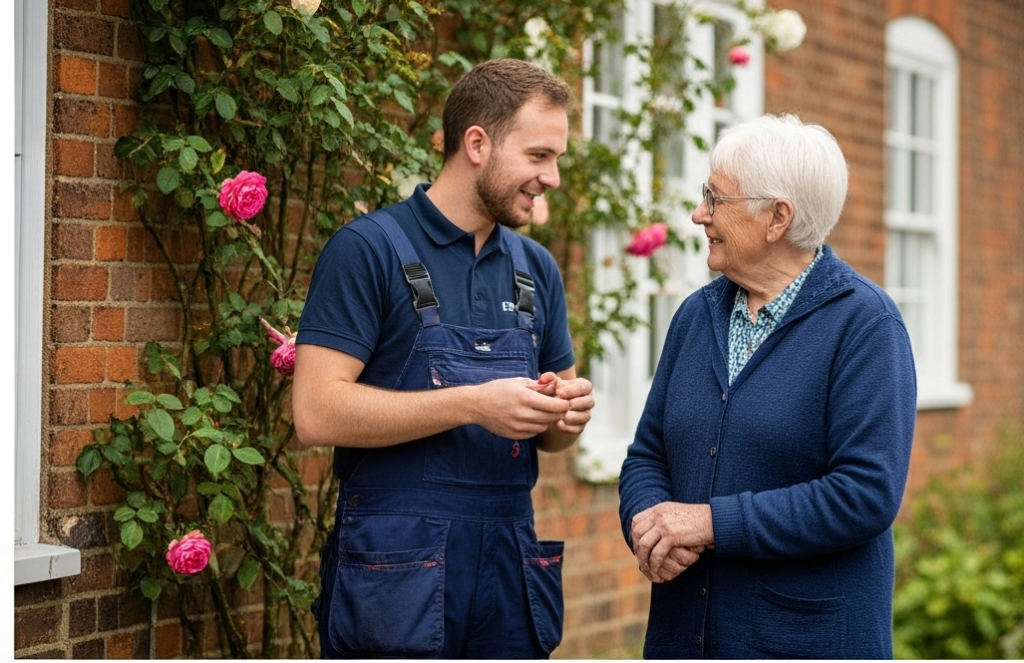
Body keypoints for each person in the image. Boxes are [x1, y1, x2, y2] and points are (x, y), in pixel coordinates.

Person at [293, 58, 594, 659]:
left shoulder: (537, 271)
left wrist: (566, 417)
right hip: (395, 574)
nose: (553, 177)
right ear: (477, 143)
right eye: (539, 156)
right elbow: (316, 414)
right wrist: (473, 404)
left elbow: (554, 444)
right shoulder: (368, 250)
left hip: (510, 571)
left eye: (556, 158)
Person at [618, 114, 916, 659]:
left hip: (803, 642)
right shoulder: (695, 315)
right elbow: (647, 453)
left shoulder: (866, 326)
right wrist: (648, 525)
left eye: (716, 198)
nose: (698, 214)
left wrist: (711, 524)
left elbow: (865, 494)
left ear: (777, 217)